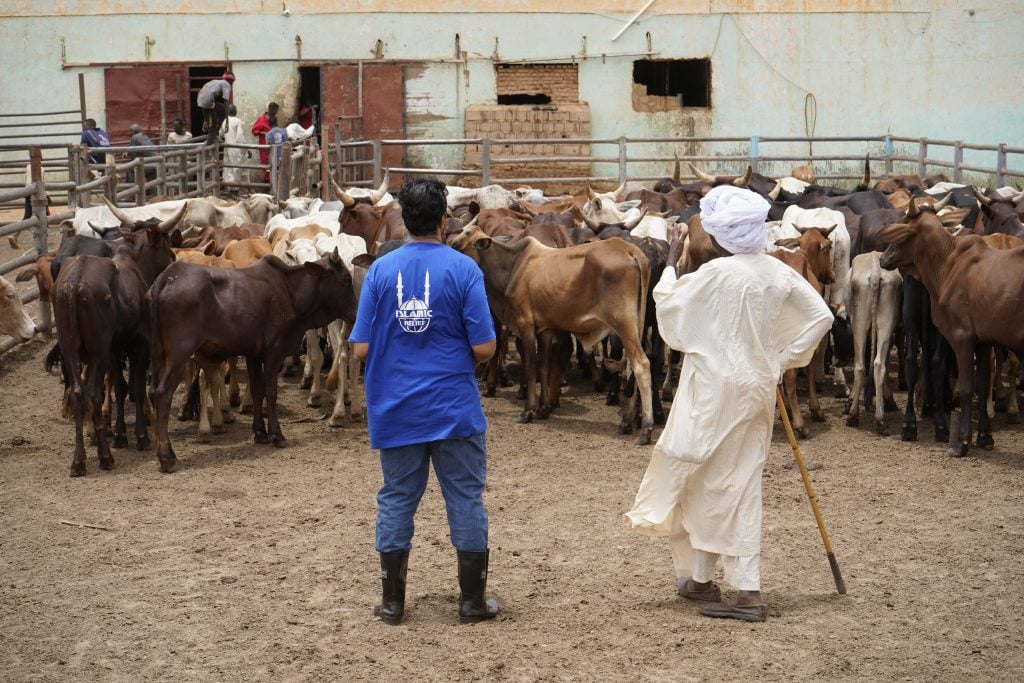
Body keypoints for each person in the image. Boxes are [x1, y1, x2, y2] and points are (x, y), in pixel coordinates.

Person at [623, 185, 834, 623]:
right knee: (725, 478)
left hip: (712, 392)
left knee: (714, 478)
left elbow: (669, 311)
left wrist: (668, 264)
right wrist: (778, 357)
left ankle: (749, 592)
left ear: (719, 238)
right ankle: (701, 579)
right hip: (755, 389)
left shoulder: (717, 274)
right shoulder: (779, 272)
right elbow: (822, 316)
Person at [349, 178, 500, 627]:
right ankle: (472, 602)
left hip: (395, 408)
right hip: (453, 407)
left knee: (396, 499)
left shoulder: (379, 270)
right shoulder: (464, 269)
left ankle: (393, 603)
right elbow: (486, 347)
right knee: (466, 499)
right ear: (442, 220)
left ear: (403, 221)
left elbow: (359, 348)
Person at [197, 71, 234, 145]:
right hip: (209, 102)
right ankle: (208, 144)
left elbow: (204, 93)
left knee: (216, 113)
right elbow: (226, 102)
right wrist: (227, 121)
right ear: (230, 80)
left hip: (200, 100)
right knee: (213, 126)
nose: (232, 83)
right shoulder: (227, 85)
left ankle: (210, 128)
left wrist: (205, 120)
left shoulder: (214, 81)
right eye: (232, 82)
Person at [219, 104, 247, 188]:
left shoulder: (225, 121)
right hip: (236, 148)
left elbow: (220, 134)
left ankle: (229, 188)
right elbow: (240, 137)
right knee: (236, 168)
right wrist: (246, 149)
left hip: (227, 147)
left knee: (228, 168)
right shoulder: (238, 121)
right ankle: (235, 189)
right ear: (236, 112)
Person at [251, 101, 279, 183]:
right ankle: (266, 183)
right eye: (275, 110)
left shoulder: (274, 119)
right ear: (271, 110)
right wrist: (264, 133)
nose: (276, 112)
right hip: (264, 146)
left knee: (274, 164)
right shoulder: (262, 119)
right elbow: (254, 131)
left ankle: (273, 182)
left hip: (274, 146)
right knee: (265, 165)